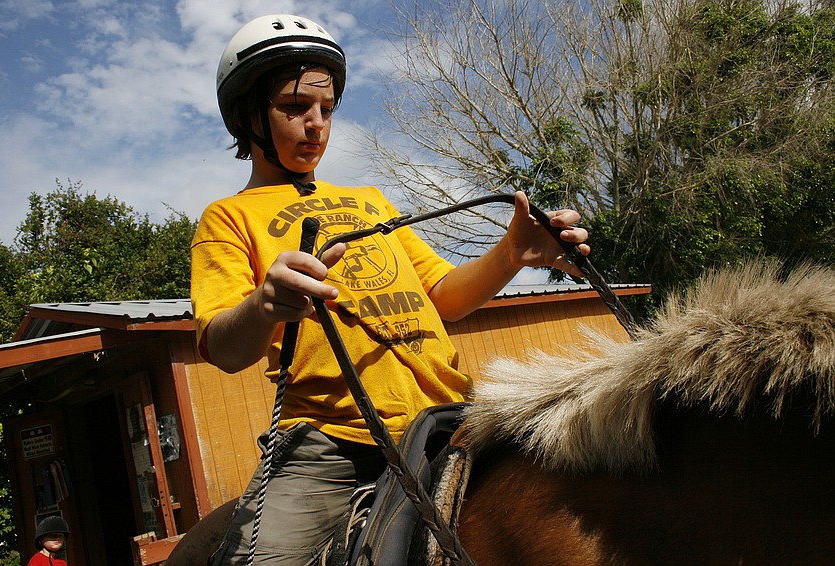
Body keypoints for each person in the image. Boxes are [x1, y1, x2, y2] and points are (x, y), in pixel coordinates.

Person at [190, 14, 590, 565]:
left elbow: (444, 296)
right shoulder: (227, 217)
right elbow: (224, 347)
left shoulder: (370, 201)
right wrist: (264, 305)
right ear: (246, 115)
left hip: (452, 418)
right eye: (294, 107)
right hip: (331, 443)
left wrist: (512, 255)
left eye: (326, 110)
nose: (316, 125)